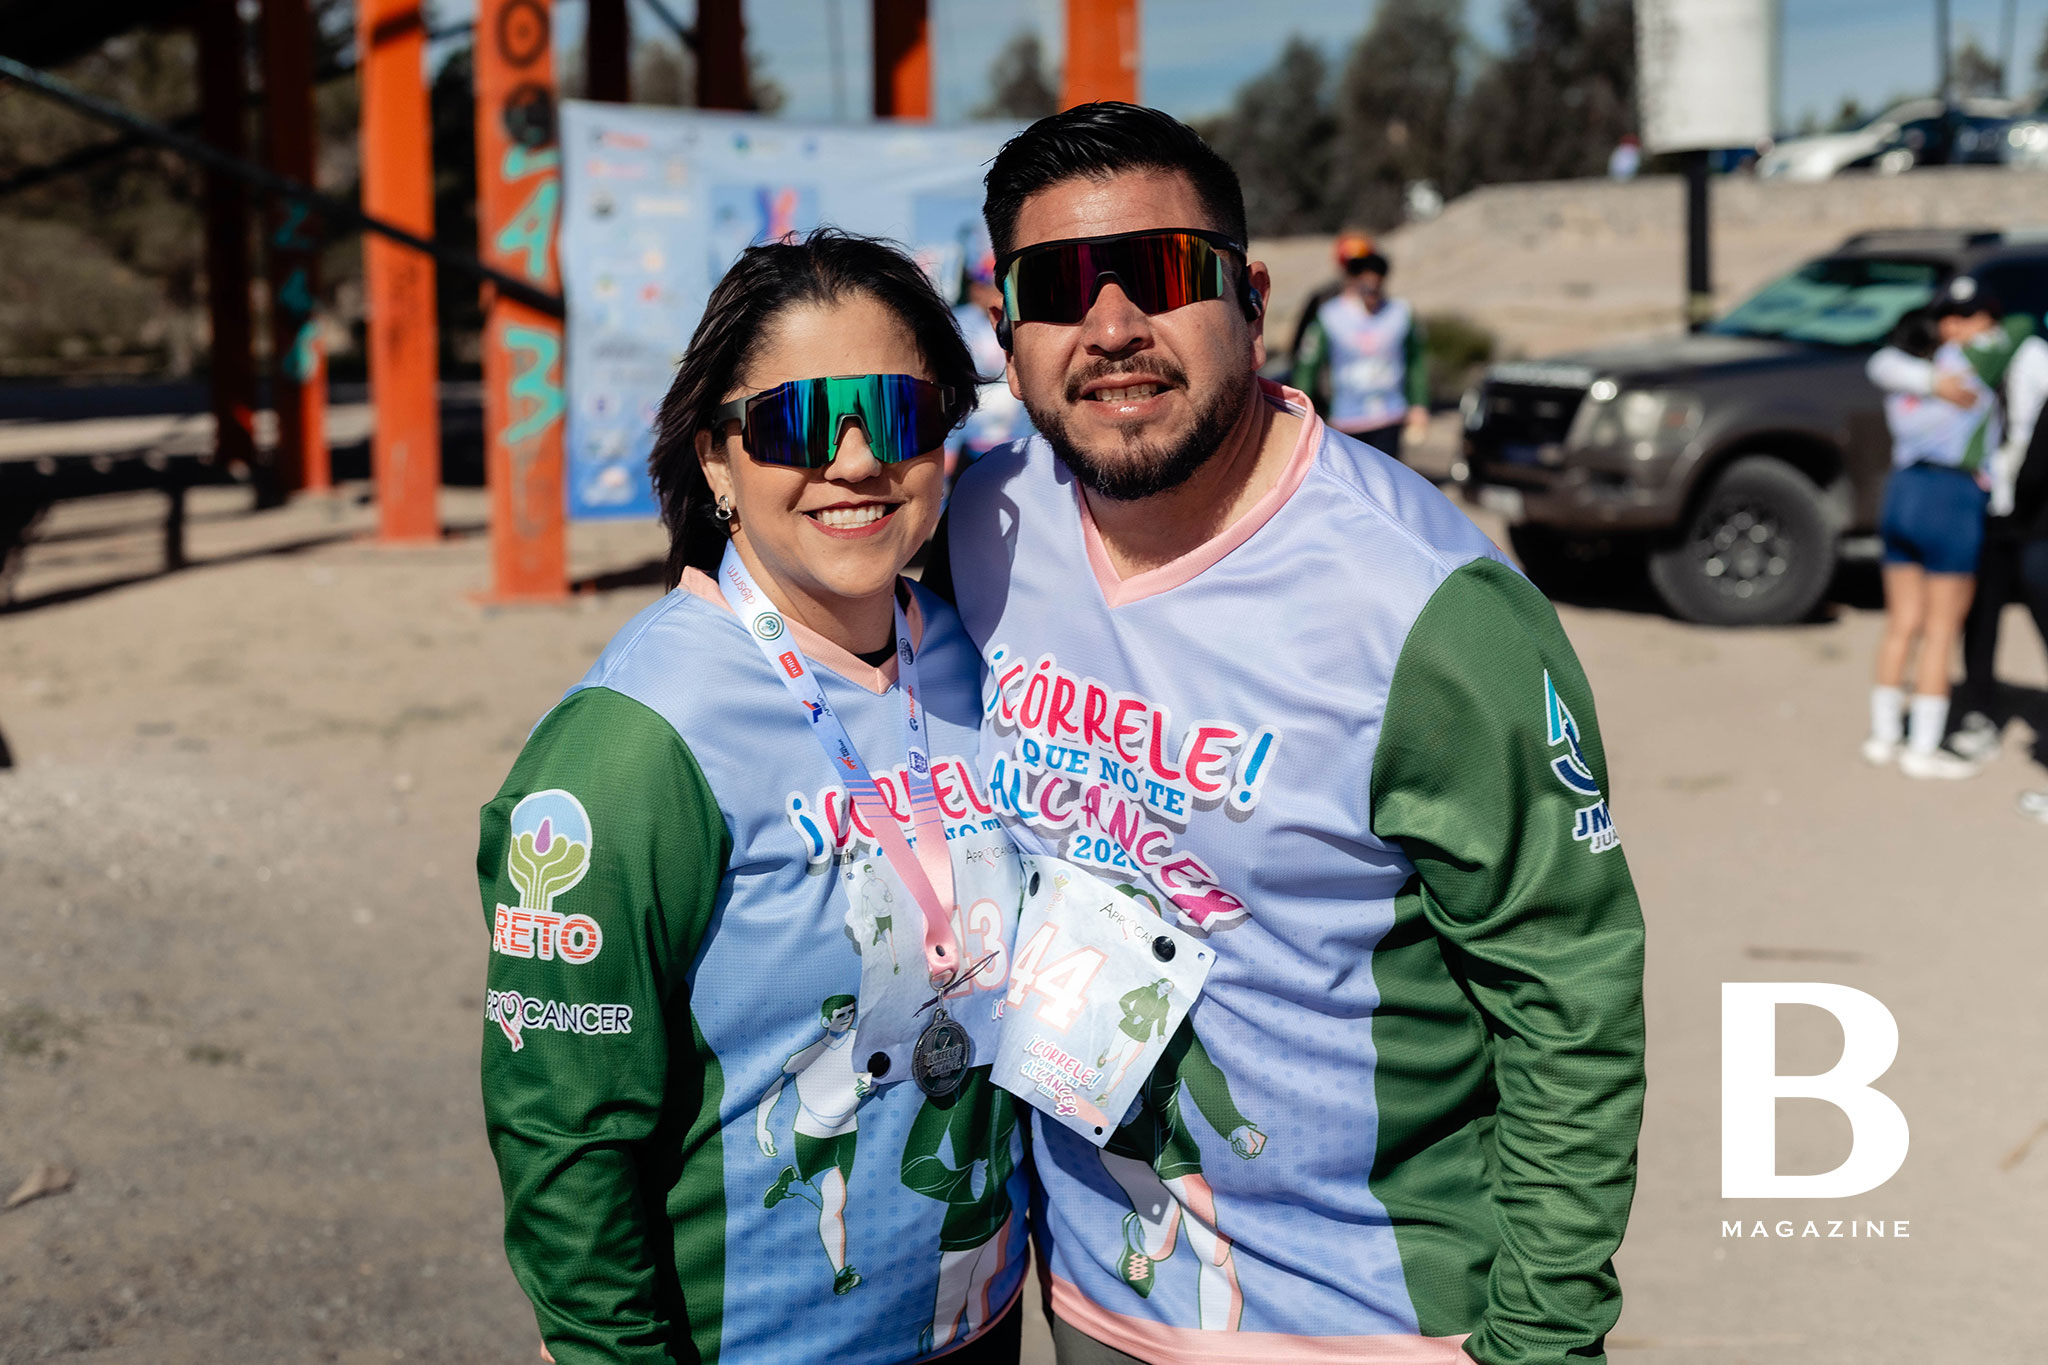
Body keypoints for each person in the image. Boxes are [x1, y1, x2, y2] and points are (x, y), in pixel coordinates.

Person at [935, 102, 1646, 1365]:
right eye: (1058, 287)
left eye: (1160, 271)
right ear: (1006, 331)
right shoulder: (981, 524)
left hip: (1368, 1320)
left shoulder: (1429, 610)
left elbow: (1569, 999)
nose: (1112, 326)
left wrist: (1544, 1336)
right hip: (1093, 1297)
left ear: (1251, 299)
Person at [478, 229, 1030, 1365]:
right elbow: (565, 1130)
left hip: (981, 1316)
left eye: (898, 411)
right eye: (796, 422)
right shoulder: (634, 742)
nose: (856, 459)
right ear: (717, 462)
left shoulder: (972, 652)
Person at [1861, 288, 2035, 778]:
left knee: (1901, 623)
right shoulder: (1970, 361)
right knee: (1940, 631)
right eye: (1954, 319)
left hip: (1903, 491)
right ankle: (1922, 749)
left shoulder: (1907, 370)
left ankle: (1883, 737)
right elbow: (2022, 324)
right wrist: (1980, 331)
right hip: (1951, 496)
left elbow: (1881, 363)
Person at [1949, 312, 2048, 760]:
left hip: (2035, 515)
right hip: (1992, 506)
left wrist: (2029, 487)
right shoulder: (1969, 362)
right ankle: (1980, 710)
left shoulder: (2033, 357)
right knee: (1980, 616)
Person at [1288, 231, 1430, 460]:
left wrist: (1419, 404)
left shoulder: (1398, 311)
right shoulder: (1327, 307)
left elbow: (1414, 360)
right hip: (1345, 414)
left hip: (1389, 413)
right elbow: (1306, 359)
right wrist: (1303, 409)